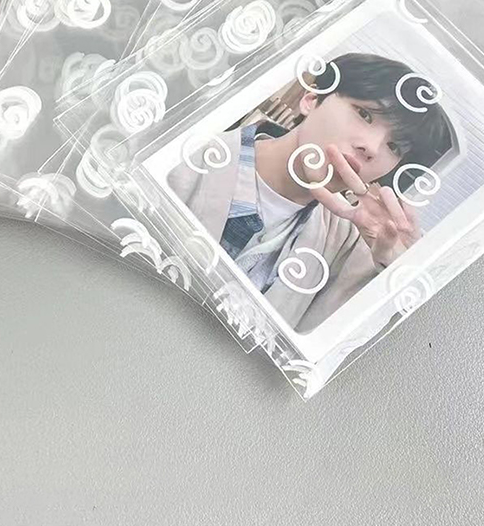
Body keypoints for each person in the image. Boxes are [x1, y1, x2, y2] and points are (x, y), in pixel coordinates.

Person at [168, 53, 454, 332]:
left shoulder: (354, 246)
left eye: (394, 147)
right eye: (364, 114)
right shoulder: (185, 152)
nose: (372, 147)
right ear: (311, 99)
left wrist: (401, 269)